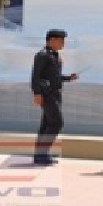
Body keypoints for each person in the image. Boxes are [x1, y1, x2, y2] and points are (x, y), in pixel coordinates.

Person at [30, 28, 77, 165]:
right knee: (56, 122)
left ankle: (40, 155)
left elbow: (54, 76)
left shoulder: (54, 55)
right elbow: (35, 76)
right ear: (52, 40)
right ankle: (42, 154)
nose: (63, 44)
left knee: (46, 124)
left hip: (55, 93)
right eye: (61, 41)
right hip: (47, 94)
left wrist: (68, 78)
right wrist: (37, 93)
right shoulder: (42, 55)